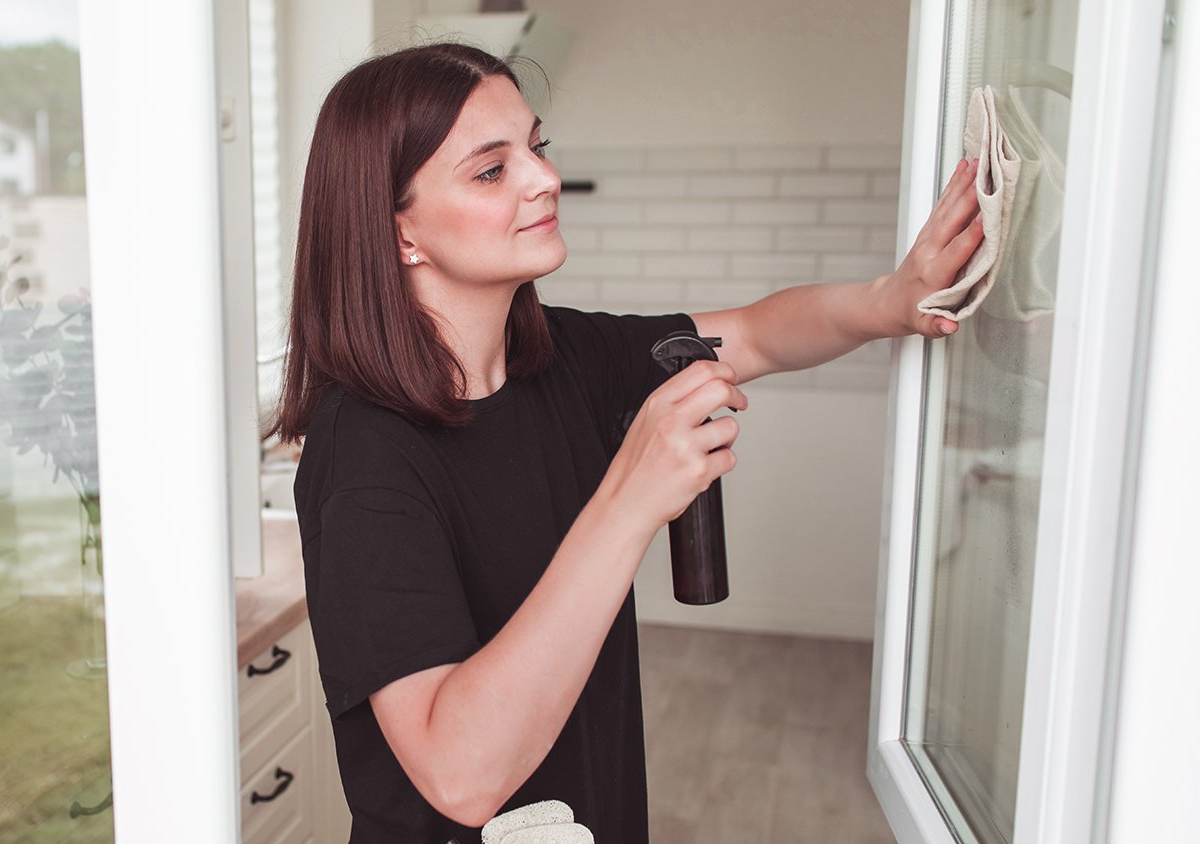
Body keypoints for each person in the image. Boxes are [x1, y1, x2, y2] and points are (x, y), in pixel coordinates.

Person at [264, 43, 982, 843]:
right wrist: (631, 496)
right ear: (400, 233)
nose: (542, 179)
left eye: (535, 148)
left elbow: (754, 333)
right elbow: (459, 776)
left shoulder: (563, 360)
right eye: (491, 170)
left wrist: (891, 299)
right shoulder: (367, 453)